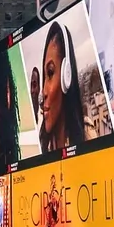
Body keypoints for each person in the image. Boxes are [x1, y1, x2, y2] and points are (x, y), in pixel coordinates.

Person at [36, 22, 86, 154]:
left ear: (66, 76)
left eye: (51, 73)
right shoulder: (40, 144)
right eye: (44, 77)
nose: (43, 92)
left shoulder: (87, 135)